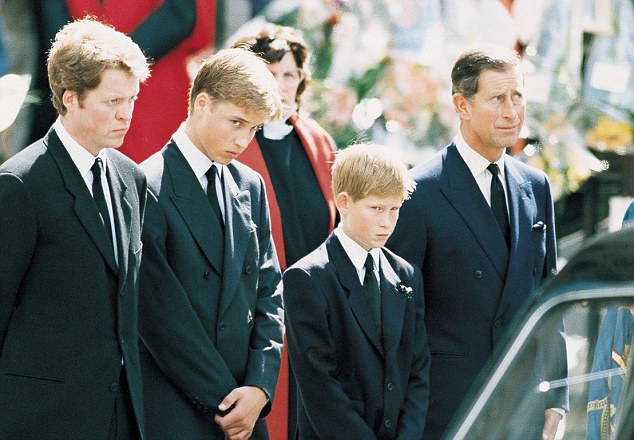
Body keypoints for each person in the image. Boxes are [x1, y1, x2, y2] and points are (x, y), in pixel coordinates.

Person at [387, 44, 560, 439]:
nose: (512, 112)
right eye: (497, 98)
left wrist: (556, 398)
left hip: (525, 401)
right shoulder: (419, 190)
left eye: (518, 97)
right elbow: (399, 317)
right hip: (448, 406)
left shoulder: (535, 186)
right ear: (462, 105)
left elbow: (550, 300)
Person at [0, 17, 150, 439]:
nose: (126, 114)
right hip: (41, 420)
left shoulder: (130, 178)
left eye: (132, 99)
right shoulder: (20, 184)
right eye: (112, 101)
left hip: (122, 418)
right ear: (70, 99)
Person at [138, 47, 284, 440]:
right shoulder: (146, 185)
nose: (243, 140)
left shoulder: (249, 184)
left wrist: (259, 387)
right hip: (178, 410)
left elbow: (270, 293)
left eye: (253, 128)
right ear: (201, 103)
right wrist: (228, 402)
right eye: (236, 122)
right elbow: (160, 319)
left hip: (247, 410)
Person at [231, 23, 338, 438]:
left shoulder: (320, 142)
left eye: (289, 74)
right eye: (270, 74)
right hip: (257, 318)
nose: (281, 85)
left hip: (316, 319)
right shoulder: (236, 142)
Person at [283, 143, 431, 439]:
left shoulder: (407, 275)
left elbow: (417, 370)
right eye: (376, 208)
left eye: (395, 209)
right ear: (344, 202)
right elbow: (321, 389)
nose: (387, 221)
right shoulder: (306, 278)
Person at [31, 0, 215, 163]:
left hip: (152, 79)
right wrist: (80, 59)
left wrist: (117, 60)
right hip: (84, 80)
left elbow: (181, 12)